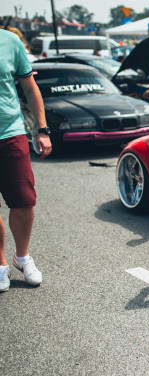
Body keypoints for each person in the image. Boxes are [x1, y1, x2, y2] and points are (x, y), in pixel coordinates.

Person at [0, 29, 52, 292]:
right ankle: (0, 264)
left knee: (24, 200)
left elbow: (30, 88)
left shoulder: (9, 41)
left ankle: (22, 257)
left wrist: (42, 130)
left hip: (10, 133)